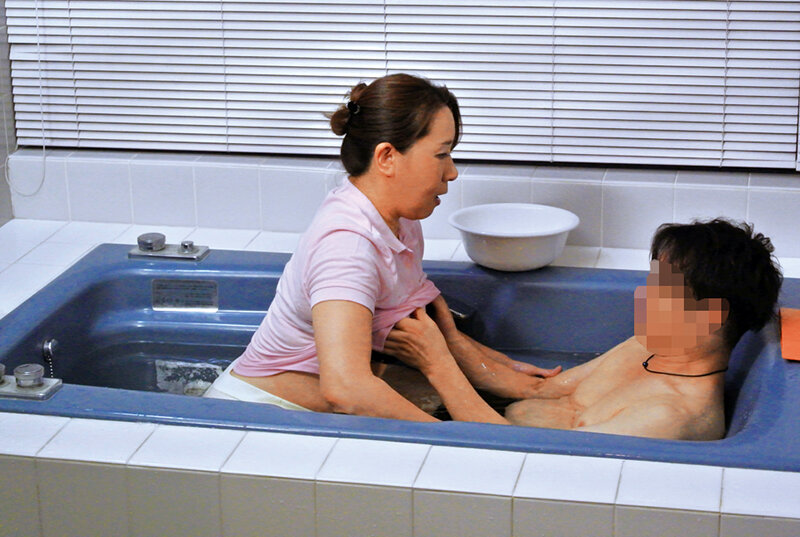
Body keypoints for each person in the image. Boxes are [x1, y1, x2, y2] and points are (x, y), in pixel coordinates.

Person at [203, 73, 558, 421]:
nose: (452, 172)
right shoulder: (347, 247)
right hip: (258, 416)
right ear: (387, 157)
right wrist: (449, 438)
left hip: (306, 411)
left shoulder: (399, 222)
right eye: (441, 154)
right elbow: (346, 389)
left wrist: (502, 369)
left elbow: (420, 324)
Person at [387, 219, 782, 439]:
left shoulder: (671, 416)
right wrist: (450, 341)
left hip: (499, 449)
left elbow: (520, 456)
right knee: (381, 380)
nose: (642, 295)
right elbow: (537, 389)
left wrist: (439, 366)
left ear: (709, 316)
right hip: (489, 421)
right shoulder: (649, 347)